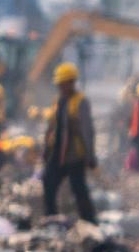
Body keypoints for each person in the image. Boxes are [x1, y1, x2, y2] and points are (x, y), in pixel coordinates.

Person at [40, 61, 98, 222]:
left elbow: (88, 130)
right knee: (48, 181)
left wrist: (90, 156)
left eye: (63, 84)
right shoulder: (58, 101)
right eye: (59, 84)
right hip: (57, 153)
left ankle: (90, 221)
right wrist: (46, 149)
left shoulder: (81, 102)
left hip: (74, 155)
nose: (61, 87)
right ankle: (50, 217)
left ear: (71, 82)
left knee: (79, 189)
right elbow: (52, 126)